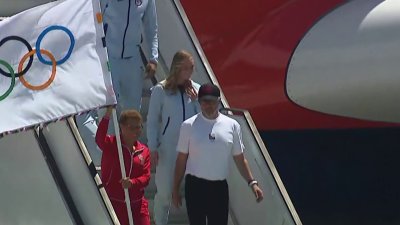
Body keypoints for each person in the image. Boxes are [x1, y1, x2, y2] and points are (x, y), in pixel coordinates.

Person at [76, 0, 158, 165]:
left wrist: (153, 57)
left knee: (132, 115)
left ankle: (128, 162)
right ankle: (108, 160)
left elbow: (151, 26)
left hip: (133, 60)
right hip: (109, 58)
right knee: (108, 113)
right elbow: (89, 18)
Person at [172, 83, 264, 225]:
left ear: (219, 101)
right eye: (205, 101)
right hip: (195, 187)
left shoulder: (232, 125)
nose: (209, 105)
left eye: (212, 101)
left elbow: (239, 158)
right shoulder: (188, 126)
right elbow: (181, 159)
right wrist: (175, 188)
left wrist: (252, 183)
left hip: (219, 188)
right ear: (199, 101)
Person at [146, 50, 200, 225]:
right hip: (168, 147)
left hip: (191, 149)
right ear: (177, 68)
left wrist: (197, 101)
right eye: (186, 68)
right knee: (164, 192)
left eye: (191, 68)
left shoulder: (196, 90)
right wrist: (152, 147)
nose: (190, 72)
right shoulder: (161, 90)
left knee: (191, 192)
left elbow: (207, 118)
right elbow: (152, 120)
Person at [96, 106, 151, 225]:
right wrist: (107, 115)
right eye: (132, 127)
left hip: (138, 204)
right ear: (122, 127)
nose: (136, 131)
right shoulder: (111, 144)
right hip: (116, 203)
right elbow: (99, 139)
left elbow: (146, 177)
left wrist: (133, 183)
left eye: (139, 127)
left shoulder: (144, 150)